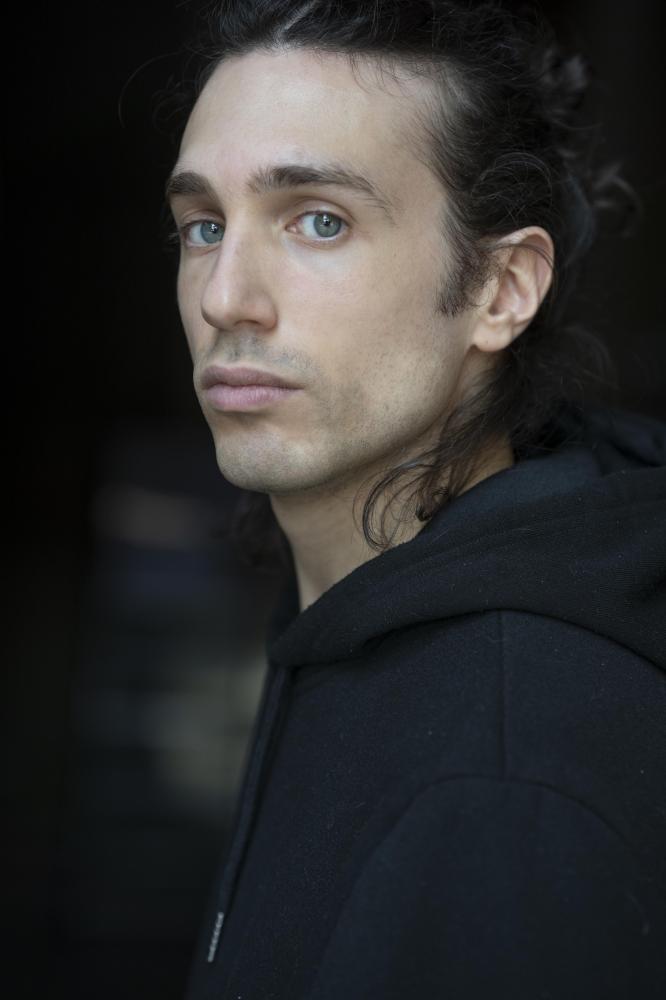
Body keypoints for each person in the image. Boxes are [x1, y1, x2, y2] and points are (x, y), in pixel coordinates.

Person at [163, 1, 666, 996]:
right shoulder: (350, 622)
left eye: (319, 220)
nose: (225, 297)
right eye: (204, 226)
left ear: (500, 289)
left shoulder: (508, 781)